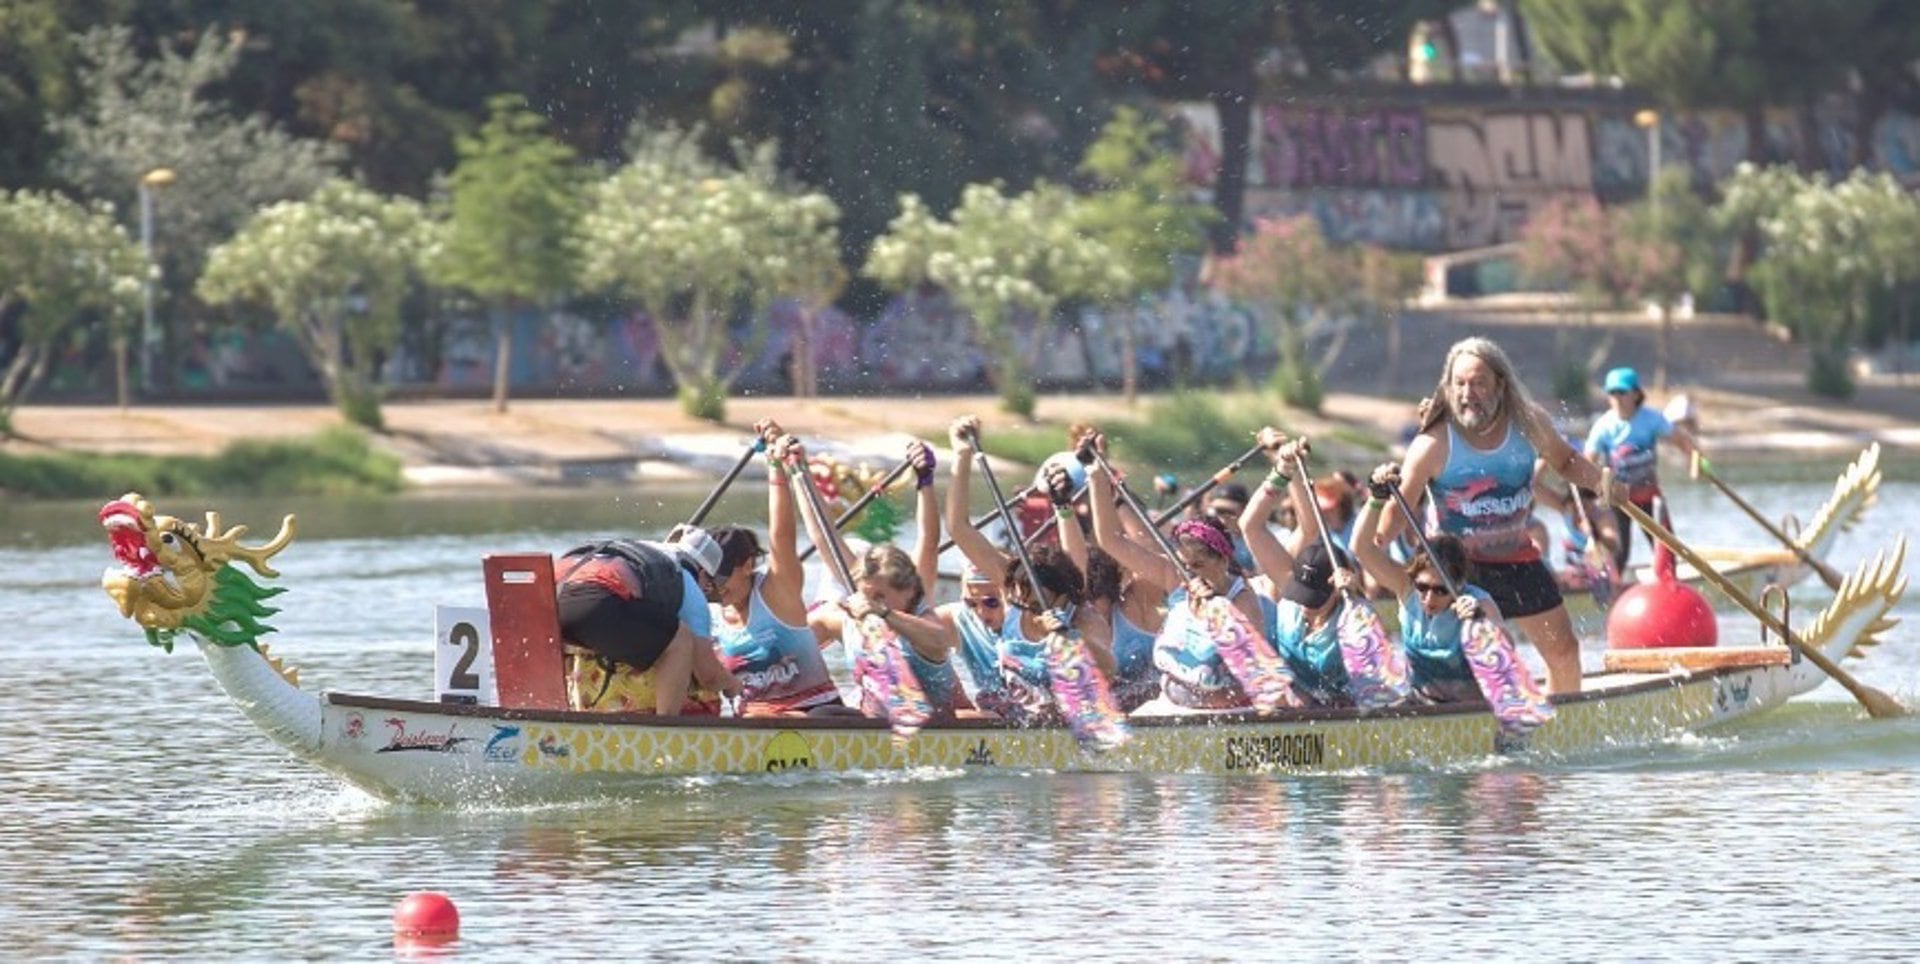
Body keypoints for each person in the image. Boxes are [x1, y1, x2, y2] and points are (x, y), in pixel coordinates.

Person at [1376, 337, 1624, 696]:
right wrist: (1380, 528)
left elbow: (1566, 462)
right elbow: (1397, 513)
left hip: (1518, 559)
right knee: (1481, 660)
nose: (1467, 393)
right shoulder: (1433, 444)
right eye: (1459, 384)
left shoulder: (1529, 422)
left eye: (1478, 383)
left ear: (1500, 385)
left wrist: (1603, 485)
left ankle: (1560, 729)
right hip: (1457, 572)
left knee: (1564, 650)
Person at [944, 416, 1116, 719]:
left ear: (1065, 596)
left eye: (1040, 604)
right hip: (1014, 722)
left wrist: (1072, 638)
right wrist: (961, 455)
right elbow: (959, 528)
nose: (1030, 607)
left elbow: (1109, 668)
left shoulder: (1083, 618)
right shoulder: (1018, 594)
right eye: (1026, 600)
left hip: (1073, 726)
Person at [709, 429, 846, 716]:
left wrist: (776, 469)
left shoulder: (775, 592)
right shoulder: (710, 612)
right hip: (757, 725)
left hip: (817, 714)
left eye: (723, 577)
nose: (716, 588)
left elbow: (782, 537)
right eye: (710, 579)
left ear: (747, 565)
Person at [1352, 462, 1502, 703]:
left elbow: (1506, 648)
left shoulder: (1478, 602)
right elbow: (1361, 548)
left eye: (1441, 590)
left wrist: (1481, 623)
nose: (1428, 598)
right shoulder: (1406, 589)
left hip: (1469, 711)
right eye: (1422, 587)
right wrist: (1376, 498)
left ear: (1459, 582)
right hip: (1419, 702)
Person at [1239, 430, 1367, 706]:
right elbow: (1249, 526)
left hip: (1344, 714)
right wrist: (1284, 471)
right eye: (1302, 595)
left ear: (1335, 587)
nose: (1306, 605)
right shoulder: (1291, 590)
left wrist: (1356, 600)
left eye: (1315, 599)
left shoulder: (1353, 615)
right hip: (1294, 708)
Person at [556, 526, 742, 715]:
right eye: (709, 585)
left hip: (551, 596)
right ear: (701, 573)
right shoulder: (686, 579)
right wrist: (733, 685)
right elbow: (708, 675)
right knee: (680, 641)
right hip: (595, 601)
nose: (706, 591)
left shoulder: (648, 555)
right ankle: (664, 728)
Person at [1585, 366, 1702, 571]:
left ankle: (1670, 581)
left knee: (1666, 547)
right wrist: (1589, 497)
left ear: (1636, 394)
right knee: (1621, 553)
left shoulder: (1651, 419)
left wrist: (1694, 461)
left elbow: (1682, 440)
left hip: (1649, 496)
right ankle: (1612, 586)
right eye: (1612, 393)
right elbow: (1587, 461)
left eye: (1622, 392)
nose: (1617, 398)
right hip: (1619, 500)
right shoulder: (1603, 426)